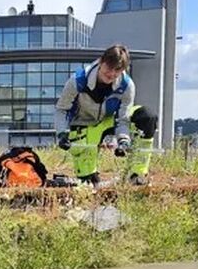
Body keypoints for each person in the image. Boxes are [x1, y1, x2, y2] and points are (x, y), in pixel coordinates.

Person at [54, 44, 157, 185]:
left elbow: (123, 118)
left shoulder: (127, 86)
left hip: (110, 120)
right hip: (84, 125)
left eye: (118, 70)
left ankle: (138, 175)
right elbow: (62, 109)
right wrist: (62, 133)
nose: (112, 74)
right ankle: (88, 174)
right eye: (109, 68)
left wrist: (123, 140)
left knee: (147, 117)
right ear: (101, 62)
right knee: (89, 183)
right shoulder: (77, 81)